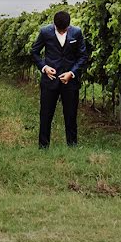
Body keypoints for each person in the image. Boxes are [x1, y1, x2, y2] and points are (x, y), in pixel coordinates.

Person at [30, 10, 88, 148]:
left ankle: (72, 146)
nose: (62, 33)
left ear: (69, 26)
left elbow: (83, 56)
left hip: (70, 81)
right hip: (50, 80)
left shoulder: (77, 32)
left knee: (71, 115)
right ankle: (43, 147)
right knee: (45, 115)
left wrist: (72, 73)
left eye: (64, 30)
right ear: (54, 25)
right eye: (59, 30)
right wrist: (44, 68)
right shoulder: (45, 32)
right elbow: (34, 52)